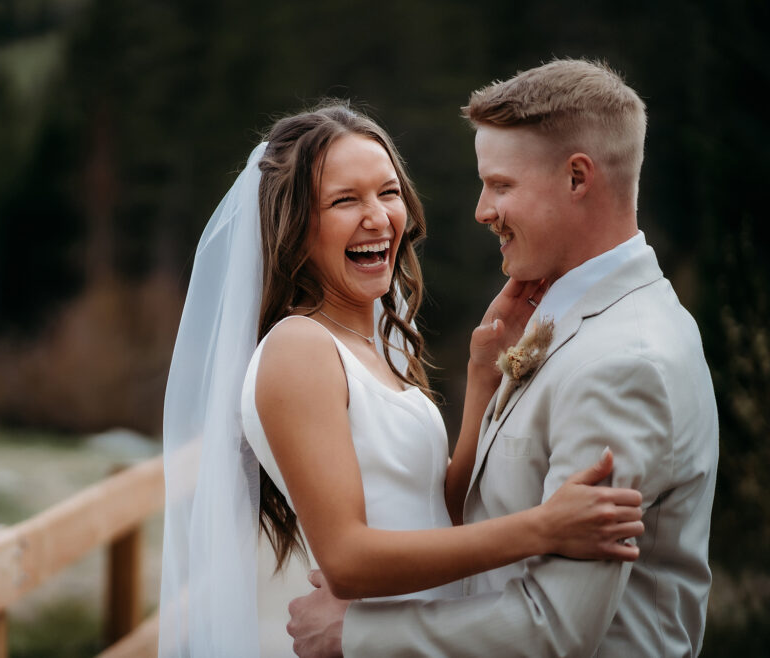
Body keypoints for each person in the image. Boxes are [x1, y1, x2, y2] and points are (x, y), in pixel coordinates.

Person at [159, 100, 646, 657]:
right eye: (345, 200)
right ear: (295, 227)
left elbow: (440, 512)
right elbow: (346, 561)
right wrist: (545, 528)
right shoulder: (299, 348)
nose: (378, 217)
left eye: (388, 192)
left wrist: (481, 379)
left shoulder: (371, 346)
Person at [287, 60, 719, 657]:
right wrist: (484, 379)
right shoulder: (577, 322)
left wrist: (355, 634)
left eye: (501, 185)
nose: (481, 210)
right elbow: (482, 511)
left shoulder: (624, 362)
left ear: (576, 178)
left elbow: (555, 628)